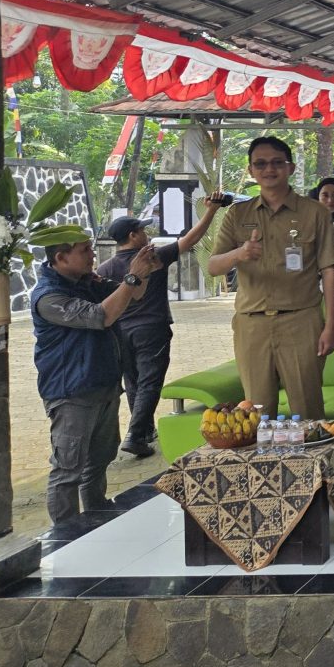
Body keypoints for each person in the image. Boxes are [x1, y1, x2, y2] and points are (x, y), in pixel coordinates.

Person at [208, 136, 334, 419]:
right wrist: (239, 254)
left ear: (290, 168)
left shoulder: (315, 212)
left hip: (301, 321)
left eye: (277, 163)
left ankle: (310, 464)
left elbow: (329, 270)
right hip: (251, 324)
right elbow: (213, 266)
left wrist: (330, 326)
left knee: (308, 410)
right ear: (252, 170)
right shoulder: (237, 214)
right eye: (261, 164)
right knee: (256, 413)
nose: (269, 170)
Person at [32, 237, 160, 524]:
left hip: (104, 386)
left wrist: (145, 270)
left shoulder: (86, 281)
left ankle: (95, 519)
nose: (93, 255)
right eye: (85, 251)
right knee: (68, 470)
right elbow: (102, 316)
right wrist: (133, 275)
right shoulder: (48, 297)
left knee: (98, 463)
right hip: (71, 393)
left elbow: (134, 294)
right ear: (61, 258)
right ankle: (65, 537)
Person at [96, 195, 226, 458]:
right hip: (152, 329)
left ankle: (143, 432)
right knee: (150, 382)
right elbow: (191, 239)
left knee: (133, 381)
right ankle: (135, 434)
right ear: (133, 236)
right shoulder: (153, 257)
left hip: (121, 333)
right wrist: (210, 212)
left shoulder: (106, 268)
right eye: (142, 230)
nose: (146, 234)